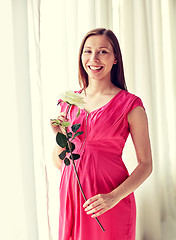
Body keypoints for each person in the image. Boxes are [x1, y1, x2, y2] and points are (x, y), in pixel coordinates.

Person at [51, 28, 152, 240]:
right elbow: (59, 162)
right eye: (88, 51)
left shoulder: (131, 105)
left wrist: (113, 198)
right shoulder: (68, 102)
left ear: (115, 58)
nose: (94, 58)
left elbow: (146, 164)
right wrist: (60, 136)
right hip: (72, 199)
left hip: (108, 203)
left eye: (103, 52)